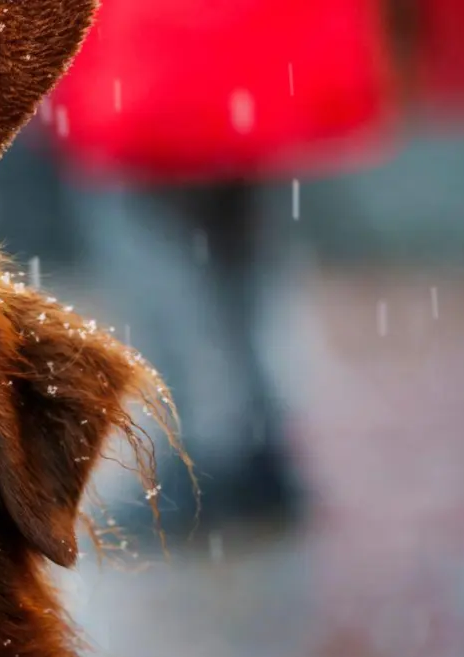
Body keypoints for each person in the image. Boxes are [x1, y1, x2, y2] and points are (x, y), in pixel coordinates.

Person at [47, 0, 399, 534]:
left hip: (157, 46)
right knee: (241, 235)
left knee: (151, 235)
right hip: (256, 43)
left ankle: (201, 448)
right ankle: (258, 438)